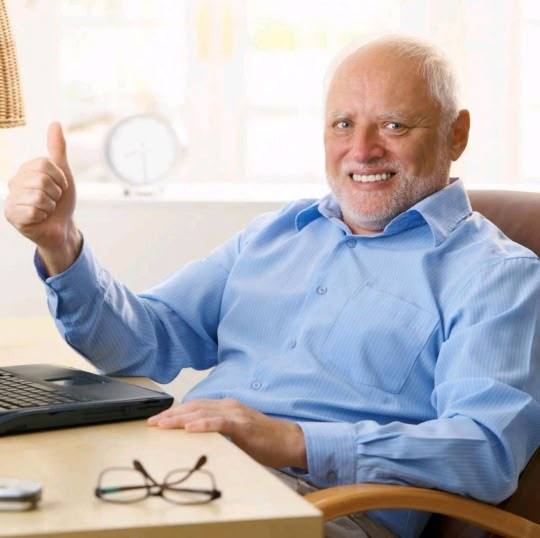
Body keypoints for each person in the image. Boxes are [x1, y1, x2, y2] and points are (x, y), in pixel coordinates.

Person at [5, 34, 540, 538]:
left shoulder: (496, 274)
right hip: (176, 470)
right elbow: (140, 343)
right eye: (343, 124)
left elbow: (485, 449)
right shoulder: (276, 233)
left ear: (456, 133)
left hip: (320, 508)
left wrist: (293, 440)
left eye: (394, 126)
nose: (362, 149)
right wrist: (61, 244)